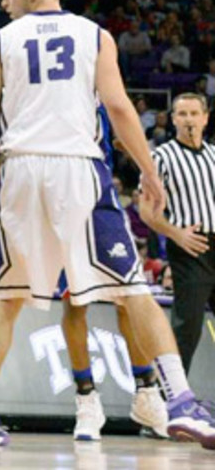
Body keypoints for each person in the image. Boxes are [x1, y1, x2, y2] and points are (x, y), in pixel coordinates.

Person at [0, 0, 214, 450]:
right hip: (75, 167)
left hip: (21, 168)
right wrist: (147, 167)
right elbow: (118, 107)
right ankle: (179, 401)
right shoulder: (94, 35)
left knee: (7, 296)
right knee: (134, 291)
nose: (4, 3)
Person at [58, 104, 168, 441]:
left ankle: (147, 392)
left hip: (99, 194)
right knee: (74, 302)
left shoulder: (98, 83)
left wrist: (137, 157)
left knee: (130, 296)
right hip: (59, 194)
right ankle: (86, 399)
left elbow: (120, 119)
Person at [145, 93, 214, 374]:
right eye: (182, 114)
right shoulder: (160, 157)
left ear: (205, 118)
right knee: (187, 328)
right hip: (190, 248)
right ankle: (169, 402)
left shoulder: (213, 155)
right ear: (173, 120)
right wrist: (176, 234)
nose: (189, 120)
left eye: (194, 114)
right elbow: (146, 212)